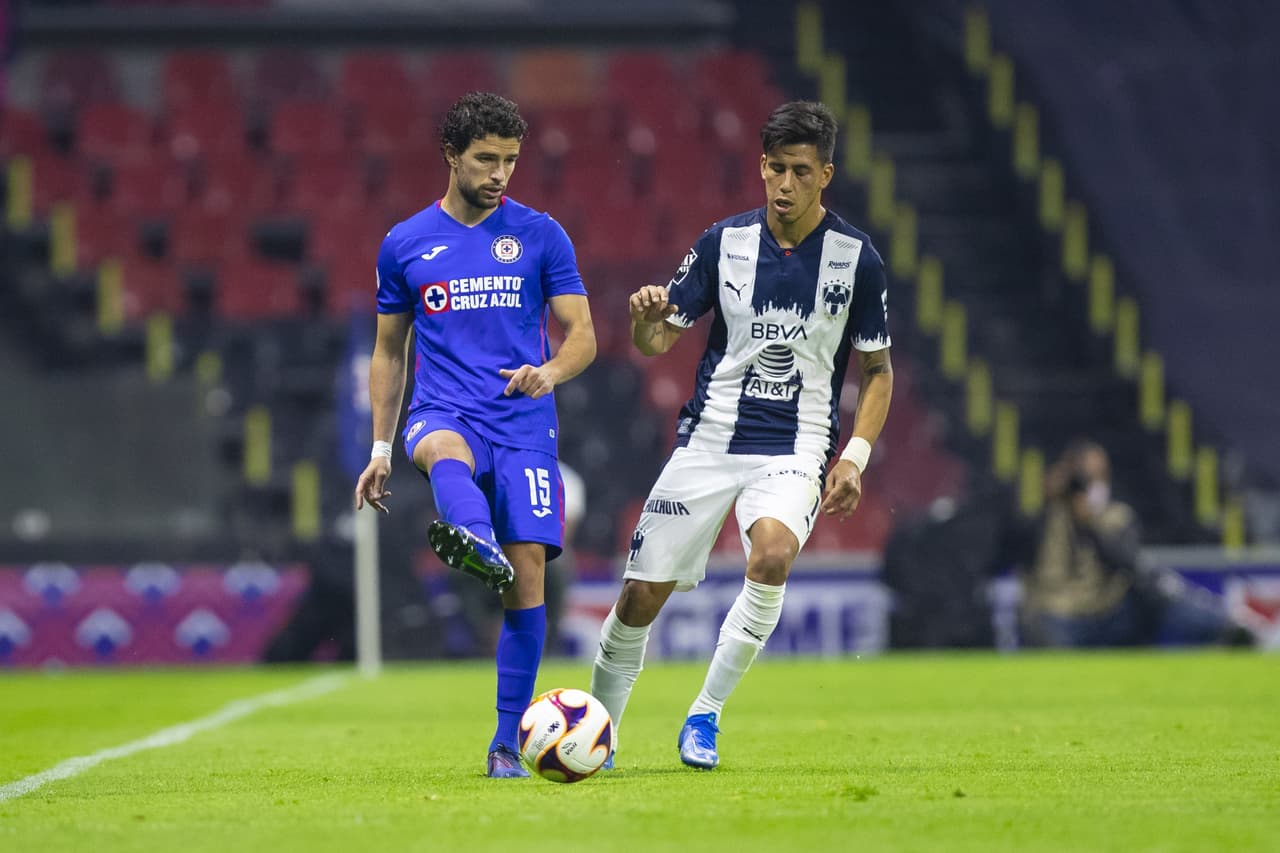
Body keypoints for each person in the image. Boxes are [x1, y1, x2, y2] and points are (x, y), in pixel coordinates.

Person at [589, 101, 893, 770]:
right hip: (708, 442)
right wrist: (646, 318)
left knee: (773, 556)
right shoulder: (721, 244)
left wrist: (855, 457)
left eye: (800, 172)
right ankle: (597, 730)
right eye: (775, 169)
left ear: (826, 175)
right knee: (640, 595)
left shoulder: (857, 260)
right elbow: (657, 340)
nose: (784, 185)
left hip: (796, 447)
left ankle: (705, 714)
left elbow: (877, 372)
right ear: (760, 166)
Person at [353, 92, 597, 778]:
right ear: (451, 156)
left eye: (511, 160)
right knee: (438, 450)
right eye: (486, 158)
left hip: (523, 425)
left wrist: (548, 371)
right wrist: (379, 448)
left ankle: (503, 744)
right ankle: (473, 536)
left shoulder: (542, 234)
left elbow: (584, 336)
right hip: (444, 408)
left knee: (527, 587)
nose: (499, 173)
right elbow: (389, 352)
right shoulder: (405, 243)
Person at [1013, 440, 1246, 647]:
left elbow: (1126, 562)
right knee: (1040, 625)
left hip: (1109, 612)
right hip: (1059, 615)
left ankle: (1232, 630)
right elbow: (1010, 549)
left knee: (1159, 593)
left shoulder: (1116, 515)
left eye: (1099, 475)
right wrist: (1044, 501)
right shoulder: (1046, 517)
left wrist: (1089, 524)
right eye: (1084, 476)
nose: (1092, 484)